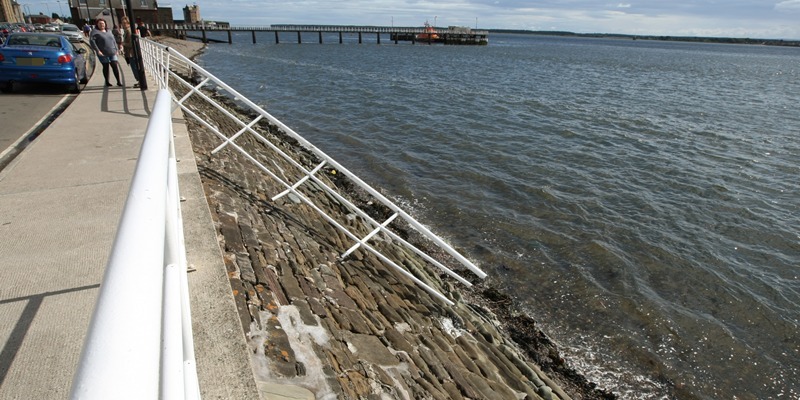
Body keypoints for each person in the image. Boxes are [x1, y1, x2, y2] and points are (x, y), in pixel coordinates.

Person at [90, 19, 122, 87]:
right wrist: (98, 50)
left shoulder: (109, 31)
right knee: (106, 66)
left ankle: (118, 81)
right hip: (103, 53)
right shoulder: (95, 32)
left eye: (103, 23)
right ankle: (107, 82)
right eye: (100, 23)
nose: (102, 25)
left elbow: (113, 40)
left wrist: (116, 49)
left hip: (112, 51)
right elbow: (92, 42)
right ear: (97, 24)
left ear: (105, 24)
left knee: (115, 65)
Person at [119, 17, 141, 88]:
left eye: (125, 23)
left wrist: (123, 43)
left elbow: (131, 44)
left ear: (128, 23)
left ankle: (140, 81)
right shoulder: (126, 30)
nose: (124, 24)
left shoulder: (129, 31)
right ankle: (139, 81)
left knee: (134, 67)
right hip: (130, 53)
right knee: (134, 67)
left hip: (132, 53)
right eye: (123, 23)